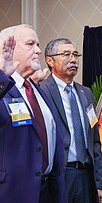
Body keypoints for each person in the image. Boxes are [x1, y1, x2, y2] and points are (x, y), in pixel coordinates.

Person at [0, 24, 68, 203]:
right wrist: (2, 77)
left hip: (48, 192)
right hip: (14, 193)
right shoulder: (3, 87)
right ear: (9, 48)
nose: (38, 50)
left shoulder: (36, 90)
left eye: (38, 44)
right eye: (30, 44)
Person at [39, 38, 102, 203]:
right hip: (59, 176)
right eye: (66, 54)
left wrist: (100, 183)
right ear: (50, 60)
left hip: (87, 177)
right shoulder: (41, 91)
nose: (73, 59)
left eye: (76, 55)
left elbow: (95, 141)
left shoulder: (86, 94)